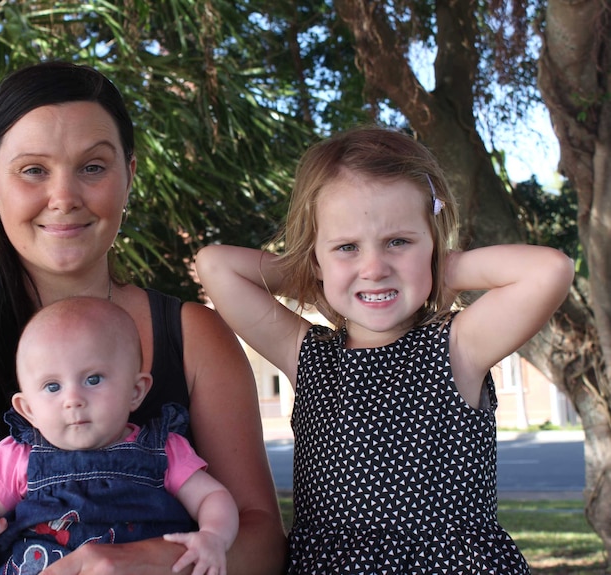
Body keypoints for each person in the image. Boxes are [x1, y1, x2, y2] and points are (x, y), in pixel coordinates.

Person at [0, 61, 287, 575]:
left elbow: (263, 541)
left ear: (130, 175)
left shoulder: (193, 336)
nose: (64, 198)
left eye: (93, 167)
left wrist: (148, 562)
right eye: (33, 170)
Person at [196, 125, 574, 574]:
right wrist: (315, 275)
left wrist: (440, 268)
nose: (374, 268)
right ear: (315, 258)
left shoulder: (458, 346)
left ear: (433, 242)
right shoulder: (307, 355)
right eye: (347, 247)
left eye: (399, 242)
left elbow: (550, 269)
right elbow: (214, 265)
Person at [0, 297, 238, 575]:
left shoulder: (163, 450)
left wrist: (213, 536)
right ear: (28, 409)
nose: (73, 399)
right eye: (53, 387)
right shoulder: (19, 455)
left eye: (93, 379)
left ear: (136, 391)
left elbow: (211, 496)